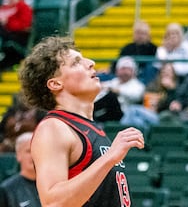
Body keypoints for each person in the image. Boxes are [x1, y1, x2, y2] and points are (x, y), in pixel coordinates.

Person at [18, 37, 143, 207]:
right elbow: (53, 202)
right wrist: (110, 158)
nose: (91, 63)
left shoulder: (88, 127)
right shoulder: (54, 127)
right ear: (55, 84)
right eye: (76, 63)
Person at [100, 56, 158, 132]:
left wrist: (118, 91)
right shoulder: (112, 82)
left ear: (134, 71)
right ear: (117, 70)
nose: (125, 72)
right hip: (110, 114)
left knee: (137, 118)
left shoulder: (138, 85)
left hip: (127, 115)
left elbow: (137, 96)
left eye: (128, 69)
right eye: (123, 68)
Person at [0, 132, 40, 207]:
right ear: (18, 155)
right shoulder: (7, 189)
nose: (33, 155)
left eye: (36, 150)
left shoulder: (52, 184)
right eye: (28, 151)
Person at [0, 0, 33, 71]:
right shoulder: (3, 7)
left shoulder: (23, 7)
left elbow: (25, 26)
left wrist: (7, 21)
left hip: (17, 40)